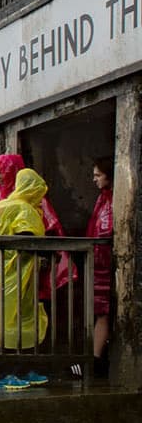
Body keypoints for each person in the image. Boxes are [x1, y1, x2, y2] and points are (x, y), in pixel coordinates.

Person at [0, 168, 50, 390]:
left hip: (3, 272)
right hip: (13, 274)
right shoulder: (24, 210)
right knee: (11, 323)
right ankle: (4, 375)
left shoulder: (8, 205)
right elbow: (27, 238)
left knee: (17, 322)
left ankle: (21, 371)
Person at [84, 156, 115, 378]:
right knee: (99, 311)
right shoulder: (103, 199)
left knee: (102, 312)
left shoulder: (111, 200)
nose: (94, 179)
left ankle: (95, 359)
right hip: (99, 263)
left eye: (98, 175)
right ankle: (94, 358)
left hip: (106, 263)